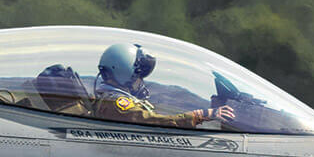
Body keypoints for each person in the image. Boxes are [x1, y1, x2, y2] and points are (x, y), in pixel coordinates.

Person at [92, 43, 235, 128]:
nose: (141, 81)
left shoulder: (111, 99)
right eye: (139, 76)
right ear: (125, 72)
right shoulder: (116, 103)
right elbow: (154, 122)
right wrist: (200, 115)